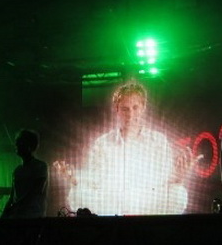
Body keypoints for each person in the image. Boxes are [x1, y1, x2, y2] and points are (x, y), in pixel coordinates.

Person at [54, 81, 198, 216]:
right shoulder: (102, 144)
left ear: (143, 107)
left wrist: (179, 178)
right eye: (125, 109)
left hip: (148, 219)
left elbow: (167, 185)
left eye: (135, 108)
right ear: (116, 109)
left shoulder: (158, 141)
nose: (130, 114)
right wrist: (75, 181)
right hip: (113, 220)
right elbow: (94, 185)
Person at [1, 129, 49, 218]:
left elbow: (36, 191)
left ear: (29, 146)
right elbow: (12, 197)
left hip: (34, 217)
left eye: (20, 142)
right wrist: (3, 214)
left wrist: (14, 207)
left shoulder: (40, 166)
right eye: (17, 142)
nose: (16, 145)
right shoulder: (17, 170)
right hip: (17, 217)